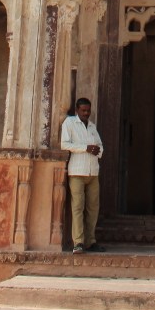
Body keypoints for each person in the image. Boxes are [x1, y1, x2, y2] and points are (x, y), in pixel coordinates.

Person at [60, 97, 104, 253]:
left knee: (93, 208)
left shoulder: (91, 126)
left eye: (88, 110)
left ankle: (90, 241)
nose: (86, 113)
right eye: (83, 110)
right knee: (77, 207)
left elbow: (99, 145)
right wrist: (85, 148)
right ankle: (78, 242)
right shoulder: (70, 123)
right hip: (77, 171)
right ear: (77, 110)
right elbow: (64, 144)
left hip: (93, 171)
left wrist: (98, 151)